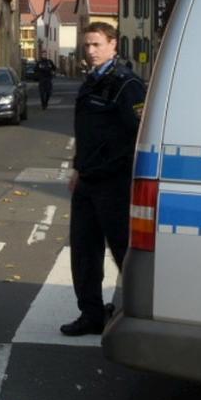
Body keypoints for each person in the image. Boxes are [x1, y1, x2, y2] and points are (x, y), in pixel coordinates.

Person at [62, 22, 146, 337]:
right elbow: (88, 134)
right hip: (87, 181)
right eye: (87, 45)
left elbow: (137, 136)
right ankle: (91, 314)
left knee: (124, 252)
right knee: (85, 253)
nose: (91, 51)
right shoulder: (91, 83)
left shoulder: (127, 85)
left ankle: (141, 315)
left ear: (113, 45)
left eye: (97, 44)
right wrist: (77, 168)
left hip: (114, 184)